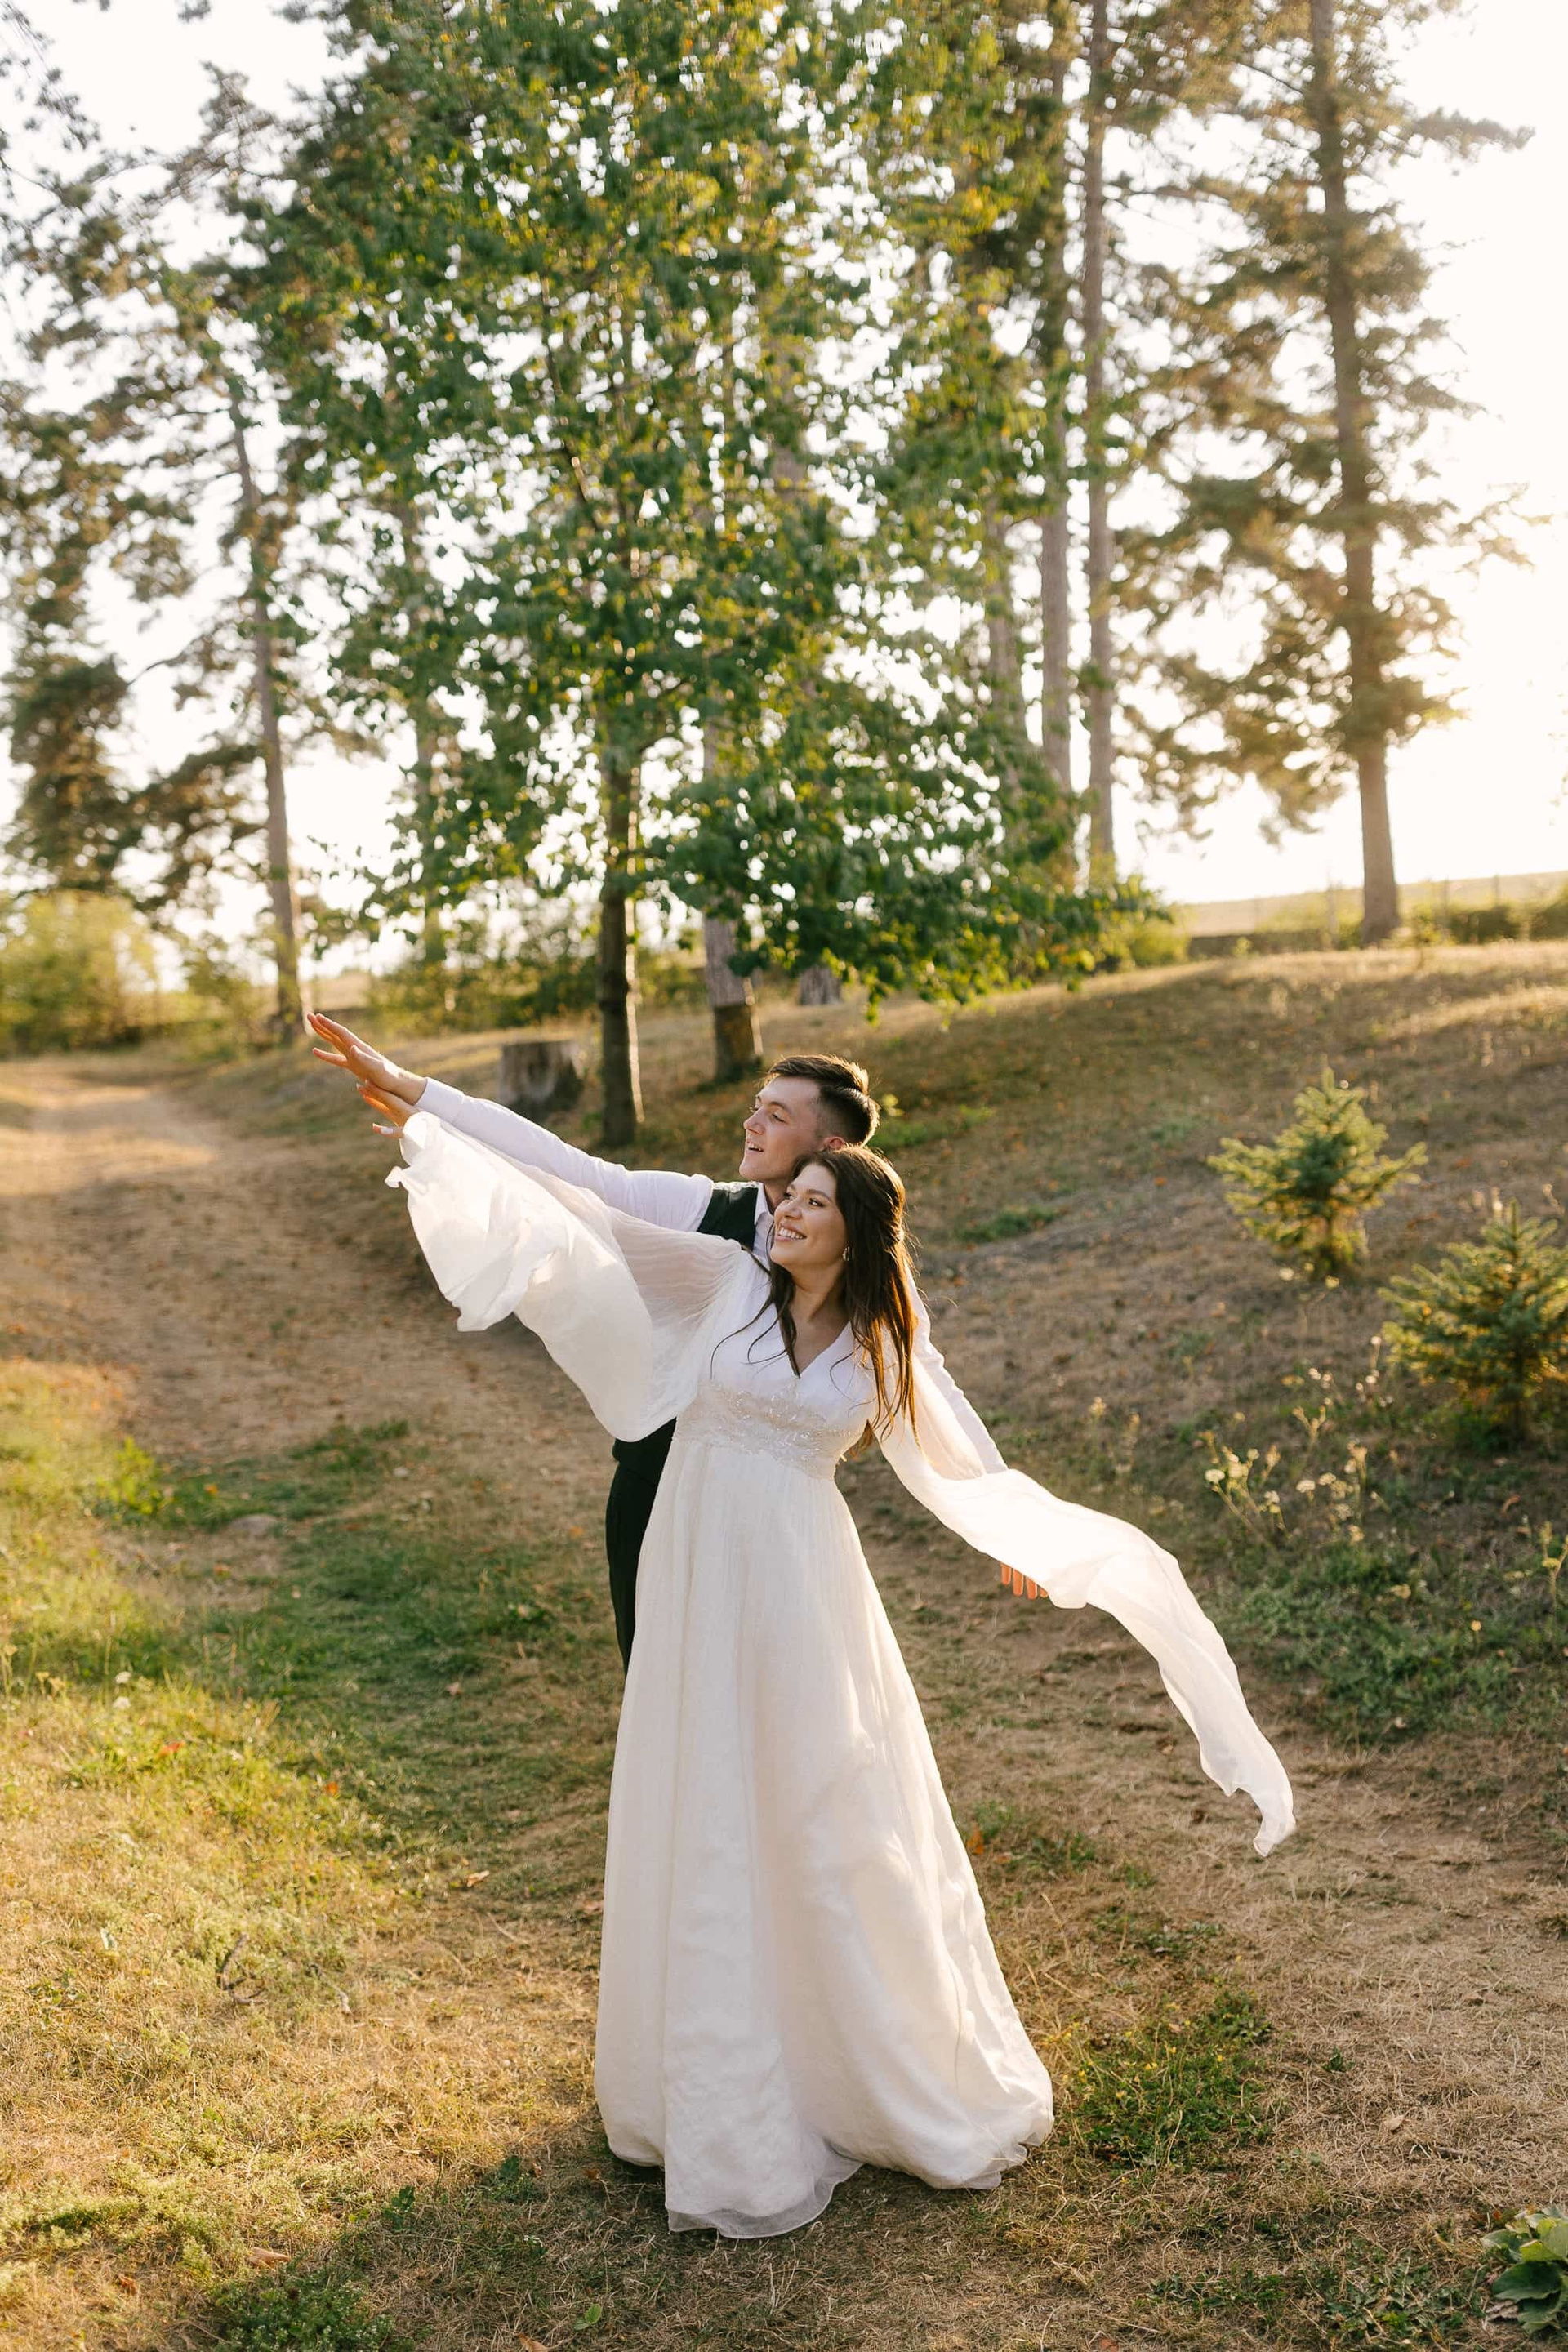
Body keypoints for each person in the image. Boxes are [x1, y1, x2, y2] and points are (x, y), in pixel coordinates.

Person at [312, 1046, 1295, 2240]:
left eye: (807, 1192)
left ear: (848, 1207)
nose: (779, 1204)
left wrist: (1019, 1535)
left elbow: (958, 1442)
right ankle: (712, 2083)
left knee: (824, 1801)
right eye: (784, 1192)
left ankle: (857, 2059)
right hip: (694, 1566)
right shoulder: (722, 1275)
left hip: (804, 1588)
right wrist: (437, 1118)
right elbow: (576, 1196)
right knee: (706, 1794)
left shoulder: (885, 1336)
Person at [307, 1016, 996, 1665]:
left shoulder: (870, 1267)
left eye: (777, 1116)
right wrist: (416, 1092)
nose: (751, 1122)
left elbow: (925, 1377)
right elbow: (571, 1172)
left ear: (832, 1148)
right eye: (757, 1106)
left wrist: (999, 1507)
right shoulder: (701, 1208)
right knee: (662, 1690)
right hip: (656, 1492)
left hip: (775, 1519)